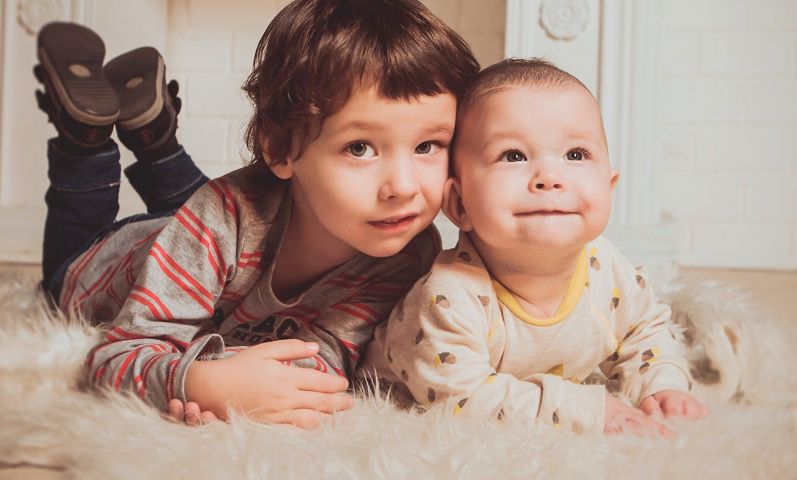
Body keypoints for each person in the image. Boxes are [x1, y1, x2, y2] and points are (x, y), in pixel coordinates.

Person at [33, 0, 479, 428]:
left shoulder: (406, 254)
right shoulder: (219, 220)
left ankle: (157, 143)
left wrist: (258, 381)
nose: (402, 187)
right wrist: (199, 382)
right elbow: (113, 357)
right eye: (359, 148)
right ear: (281, 148)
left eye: (428, 146)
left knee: (223, 215)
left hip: (211, 240)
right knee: (68, 265)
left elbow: (326, 357)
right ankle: (85, 139)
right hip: (113, 258)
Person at [359, 59, 708, 436]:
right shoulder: (447, 297)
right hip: (394, 394)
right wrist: (584, 409)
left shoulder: (605, 264)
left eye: (576, 155)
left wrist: (662, 383)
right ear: (459, 204)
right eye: (513, 156)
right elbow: (460, 399)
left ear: (609, 188)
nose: (549, 178)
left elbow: (645, 330)